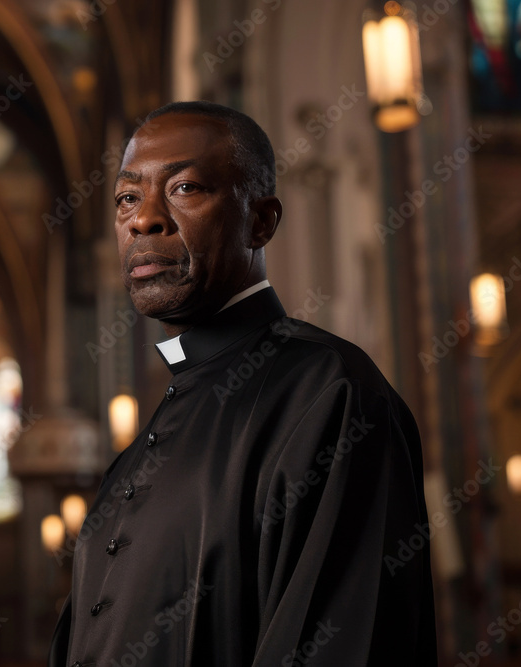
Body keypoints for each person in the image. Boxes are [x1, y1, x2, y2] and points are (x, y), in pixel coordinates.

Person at [47, 101, 437, 666]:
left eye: (184, 189)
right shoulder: (141, 447)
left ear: (261, 221)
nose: (143, 219)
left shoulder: (330, 393)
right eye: (128, 198)